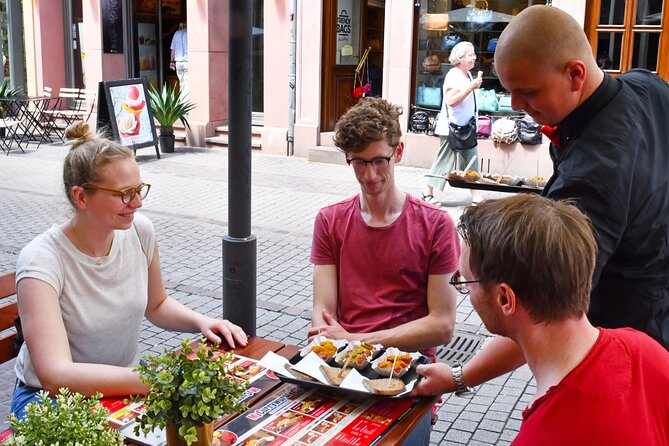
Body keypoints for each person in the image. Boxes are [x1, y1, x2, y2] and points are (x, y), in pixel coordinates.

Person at [415, 5, 669, 406]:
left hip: (622, 353)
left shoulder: (591, 178)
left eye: (529, 92)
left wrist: (459, 376)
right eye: (509, 89)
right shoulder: (648, 86)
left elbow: (540, 310)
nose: (516, 104)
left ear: (575, 74)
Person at [10, 121, 247, 419]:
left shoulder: (139, 231)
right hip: (49, 400)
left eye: (138, 189)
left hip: (123, 383)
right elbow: (56, 376)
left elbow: (157, 304)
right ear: (80, 197)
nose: (137, 203)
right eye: (124, 193)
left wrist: (203, 322)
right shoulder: (41, 260)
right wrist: (154, 380)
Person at [413, 194, 669, 444]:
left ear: (505, 298)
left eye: (467, 280)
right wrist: (457, 377)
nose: (466, 292)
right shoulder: (644, 349)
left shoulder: (546, 433)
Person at [308, 97, 460, 445]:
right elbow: (323, 311)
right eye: (358, 163)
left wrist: (357, 341)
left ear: (399, 151)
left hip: (406, 375)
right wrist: (331, 335)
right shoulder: (330, 220)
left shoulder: (435, 225)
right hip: (342, 371)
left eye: (379, 160)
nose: (369, 175)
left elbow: (442, 325)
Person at [422, 41, 483, 206]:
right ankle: (427, 192)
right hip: (452, 128)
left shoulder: (468, 74)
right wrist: (470, 88)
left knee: (472, 159)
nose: (474, 58)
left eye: (474, 54)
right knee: (445, 160)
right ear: (460, 58)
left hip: (466, 126)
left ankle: (475, 194)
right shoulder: (454, 75)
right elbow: (451, 100)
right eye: (471, 55)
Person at [170, 22, 188, 99]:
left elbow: (173, 50)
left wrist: (171, 61)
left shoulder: (176, 33)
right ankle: (186, 109)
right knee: (187, 85)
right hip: (187, 62)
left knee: (182, 84)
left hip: (178, 62)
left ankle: (181, 103)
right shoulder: (189, 33)